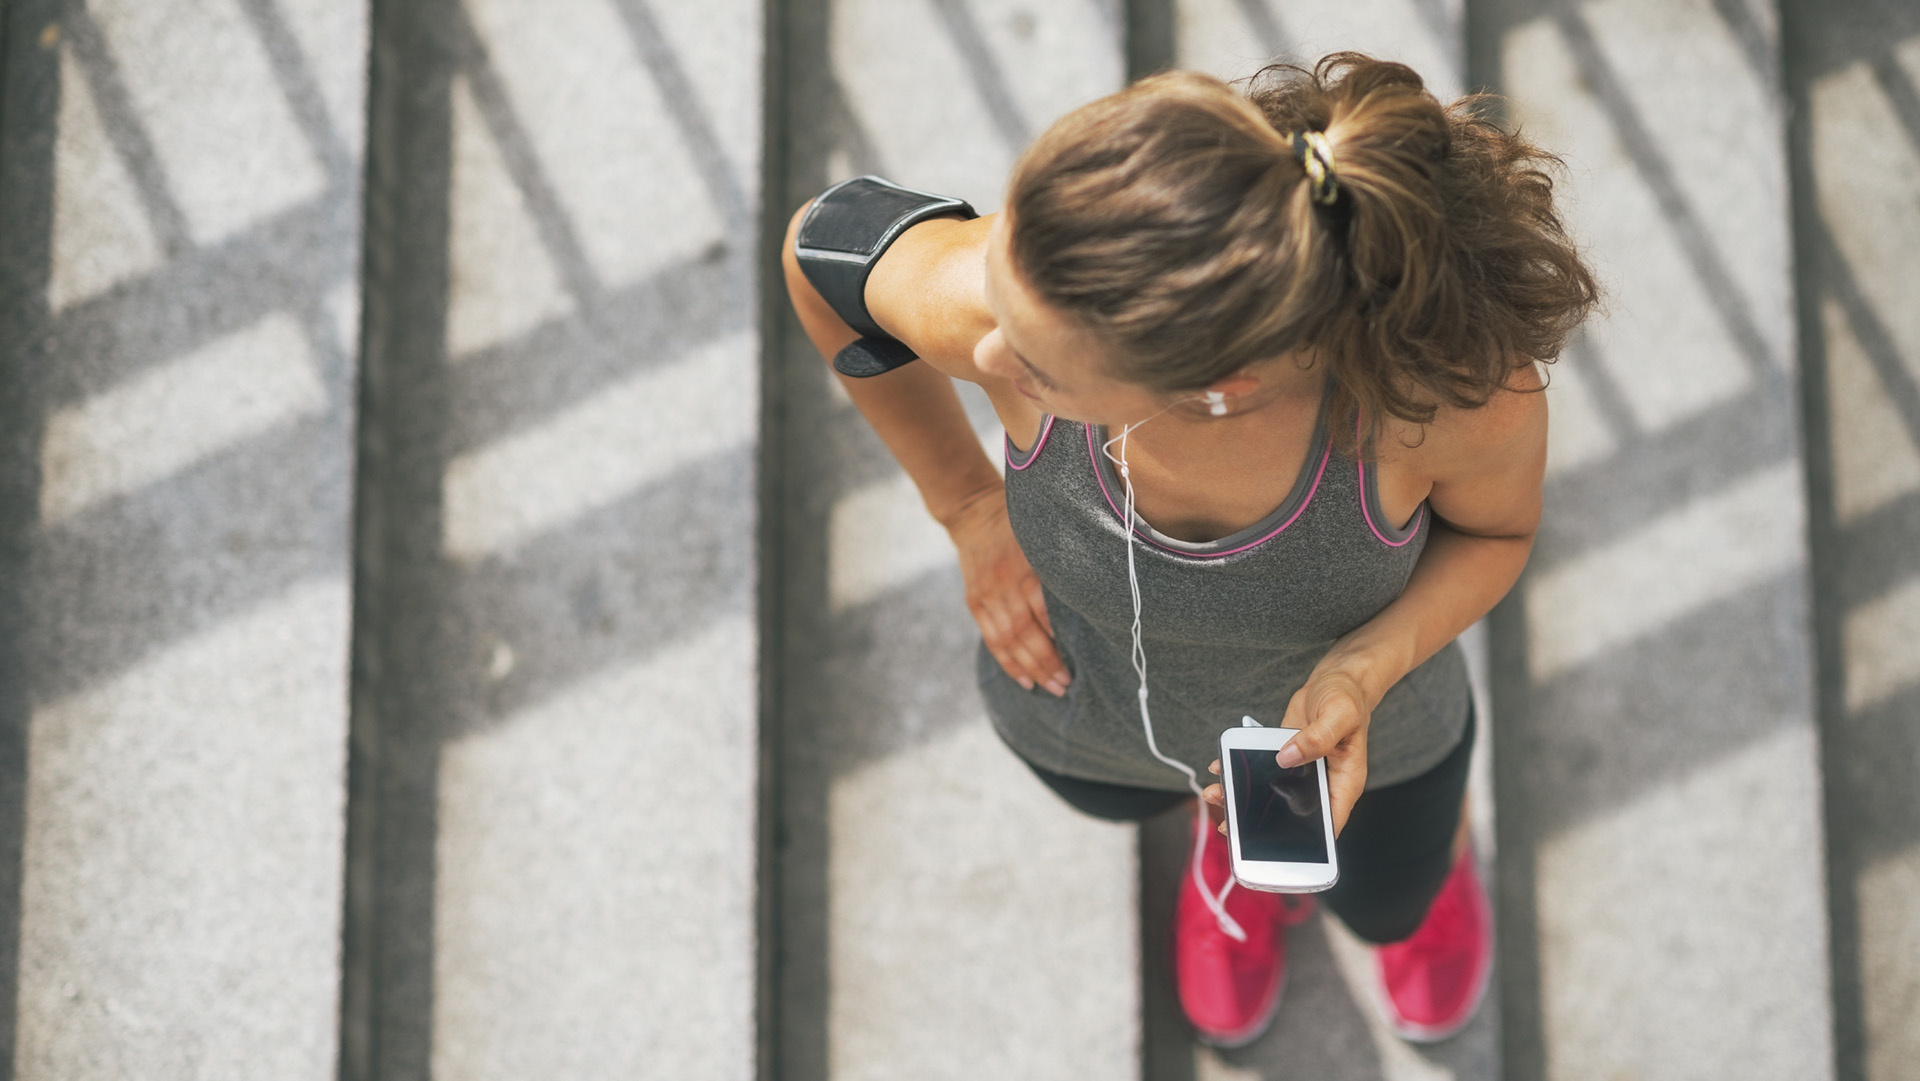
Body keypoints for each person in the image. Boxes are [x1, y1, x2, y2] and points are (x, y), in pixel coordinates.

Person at [783, 53, 1597, 1047]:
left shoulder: (1443, 398)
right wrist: (965, 505)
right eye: (1006, 312)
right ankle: (1230, 843)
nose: (986, 360)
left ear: (1224, 386)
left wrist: (1365, 666)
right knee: (1148, 810)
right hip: (1103, 721)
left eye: (1036, 372)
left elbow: (1498, 532)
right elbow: (821, 256)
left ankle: (1399, 891)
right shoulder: (1012, 309)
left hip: (1378, 745)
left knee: (1390, 899)